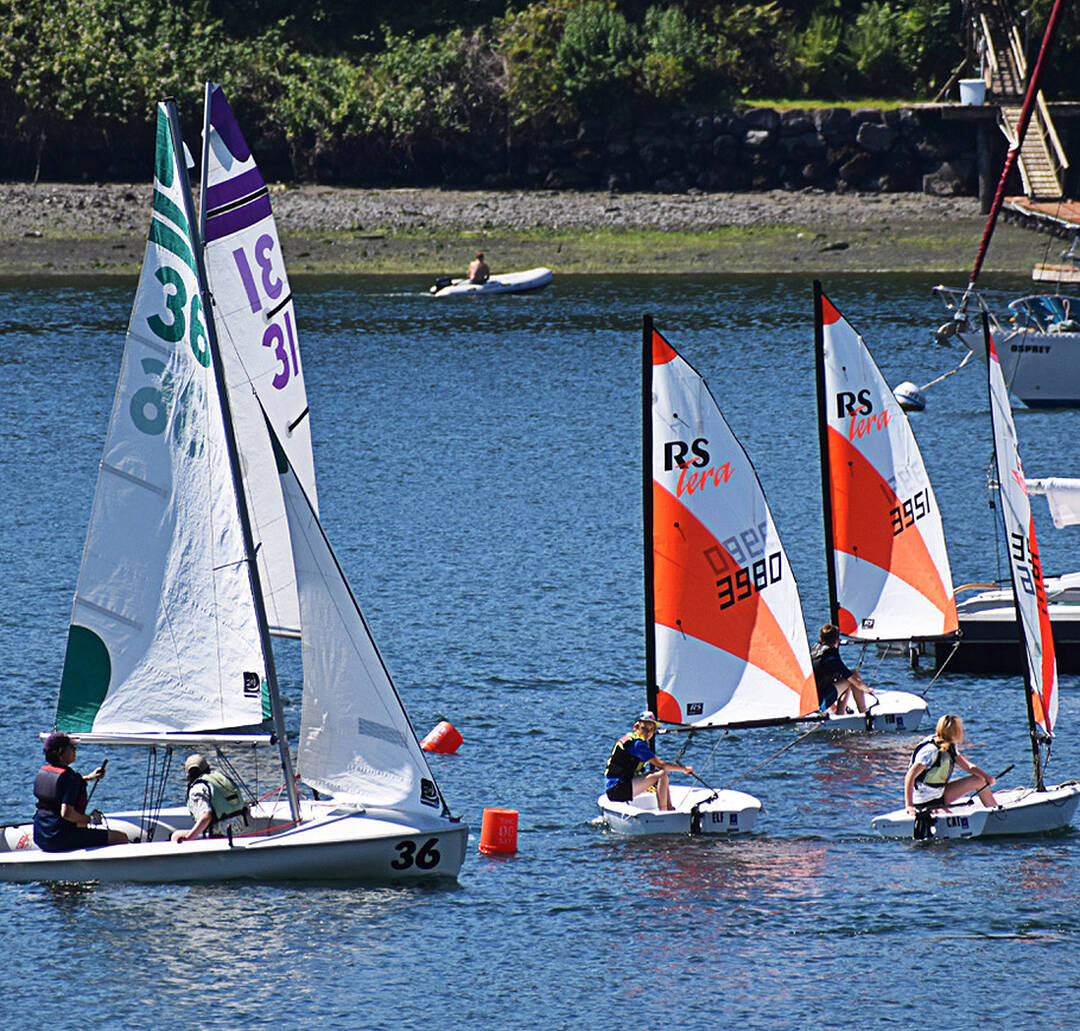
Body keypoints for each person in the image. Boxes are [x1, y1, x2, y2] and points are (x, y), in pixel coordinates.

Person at [33, 732, 129, 851]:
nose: (75, 749)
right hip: (59, 837)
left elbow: (61, 788)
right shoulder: (71, 778)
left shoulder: (45, 772)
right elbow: (67, 813)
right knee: (121, 837)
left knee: (81, 824)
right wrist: (91, 819)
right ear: (60, 752)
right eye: (71, 747)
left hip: (41, 835)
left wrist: (89, 777)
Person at [905, 713, 998, 817]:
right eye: (960, 728)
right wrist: (909, 806)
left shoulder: (950, 746)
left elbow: (968, 766)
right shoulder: (930, 751)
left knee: (979, 780)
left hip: (940, 795)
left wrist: (987, 777)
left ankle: (994, 811)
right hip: (924, 801)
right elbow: (910, 776)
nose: (962, 730)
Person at [604, 711, 693, 811]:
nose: (648, 732)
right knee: (662, 774)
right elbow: (661, 765)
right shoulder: (637, 745)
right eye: (644, 728)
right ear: (636, 727)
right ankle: (664, 813)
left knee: (658, 773)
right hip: (617, 790)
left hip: (619, 786)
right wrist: (684, 769)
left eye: (652, 729)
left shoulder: (634, 740)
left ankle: (670, 808)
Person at [172, 754, 249, 843]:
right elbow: (246, 810)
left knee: (175, 836)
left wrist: (188, 838)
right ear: (208, 769)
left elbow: (206, 816)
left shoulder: (197, 789)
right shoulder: (222, 780)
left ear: (188, 776)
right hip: (243, 832)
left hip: (220, 837)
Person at [810, 623, 874, 715]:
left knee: (845, 678)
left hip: (810, 700)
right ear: (837, 640)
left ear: (821, 638)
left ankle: (840, 713)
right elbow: (856, 681)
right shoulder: (831, 657)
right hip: (819, 703)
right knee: (853, 674)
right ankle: (863, 712)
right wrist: (868, 690)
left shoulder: (814, 650)